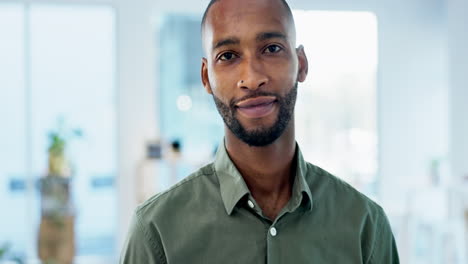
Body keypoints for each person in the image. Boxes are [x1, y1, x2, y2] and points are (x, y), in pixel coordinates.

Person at [120, 0, 400, 263]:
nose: (252, 78)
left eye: (272, 48)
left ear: (301, 63)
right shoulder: (156, 231)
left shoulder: (366, 226)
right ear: (206, 77)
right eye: (228, 56)